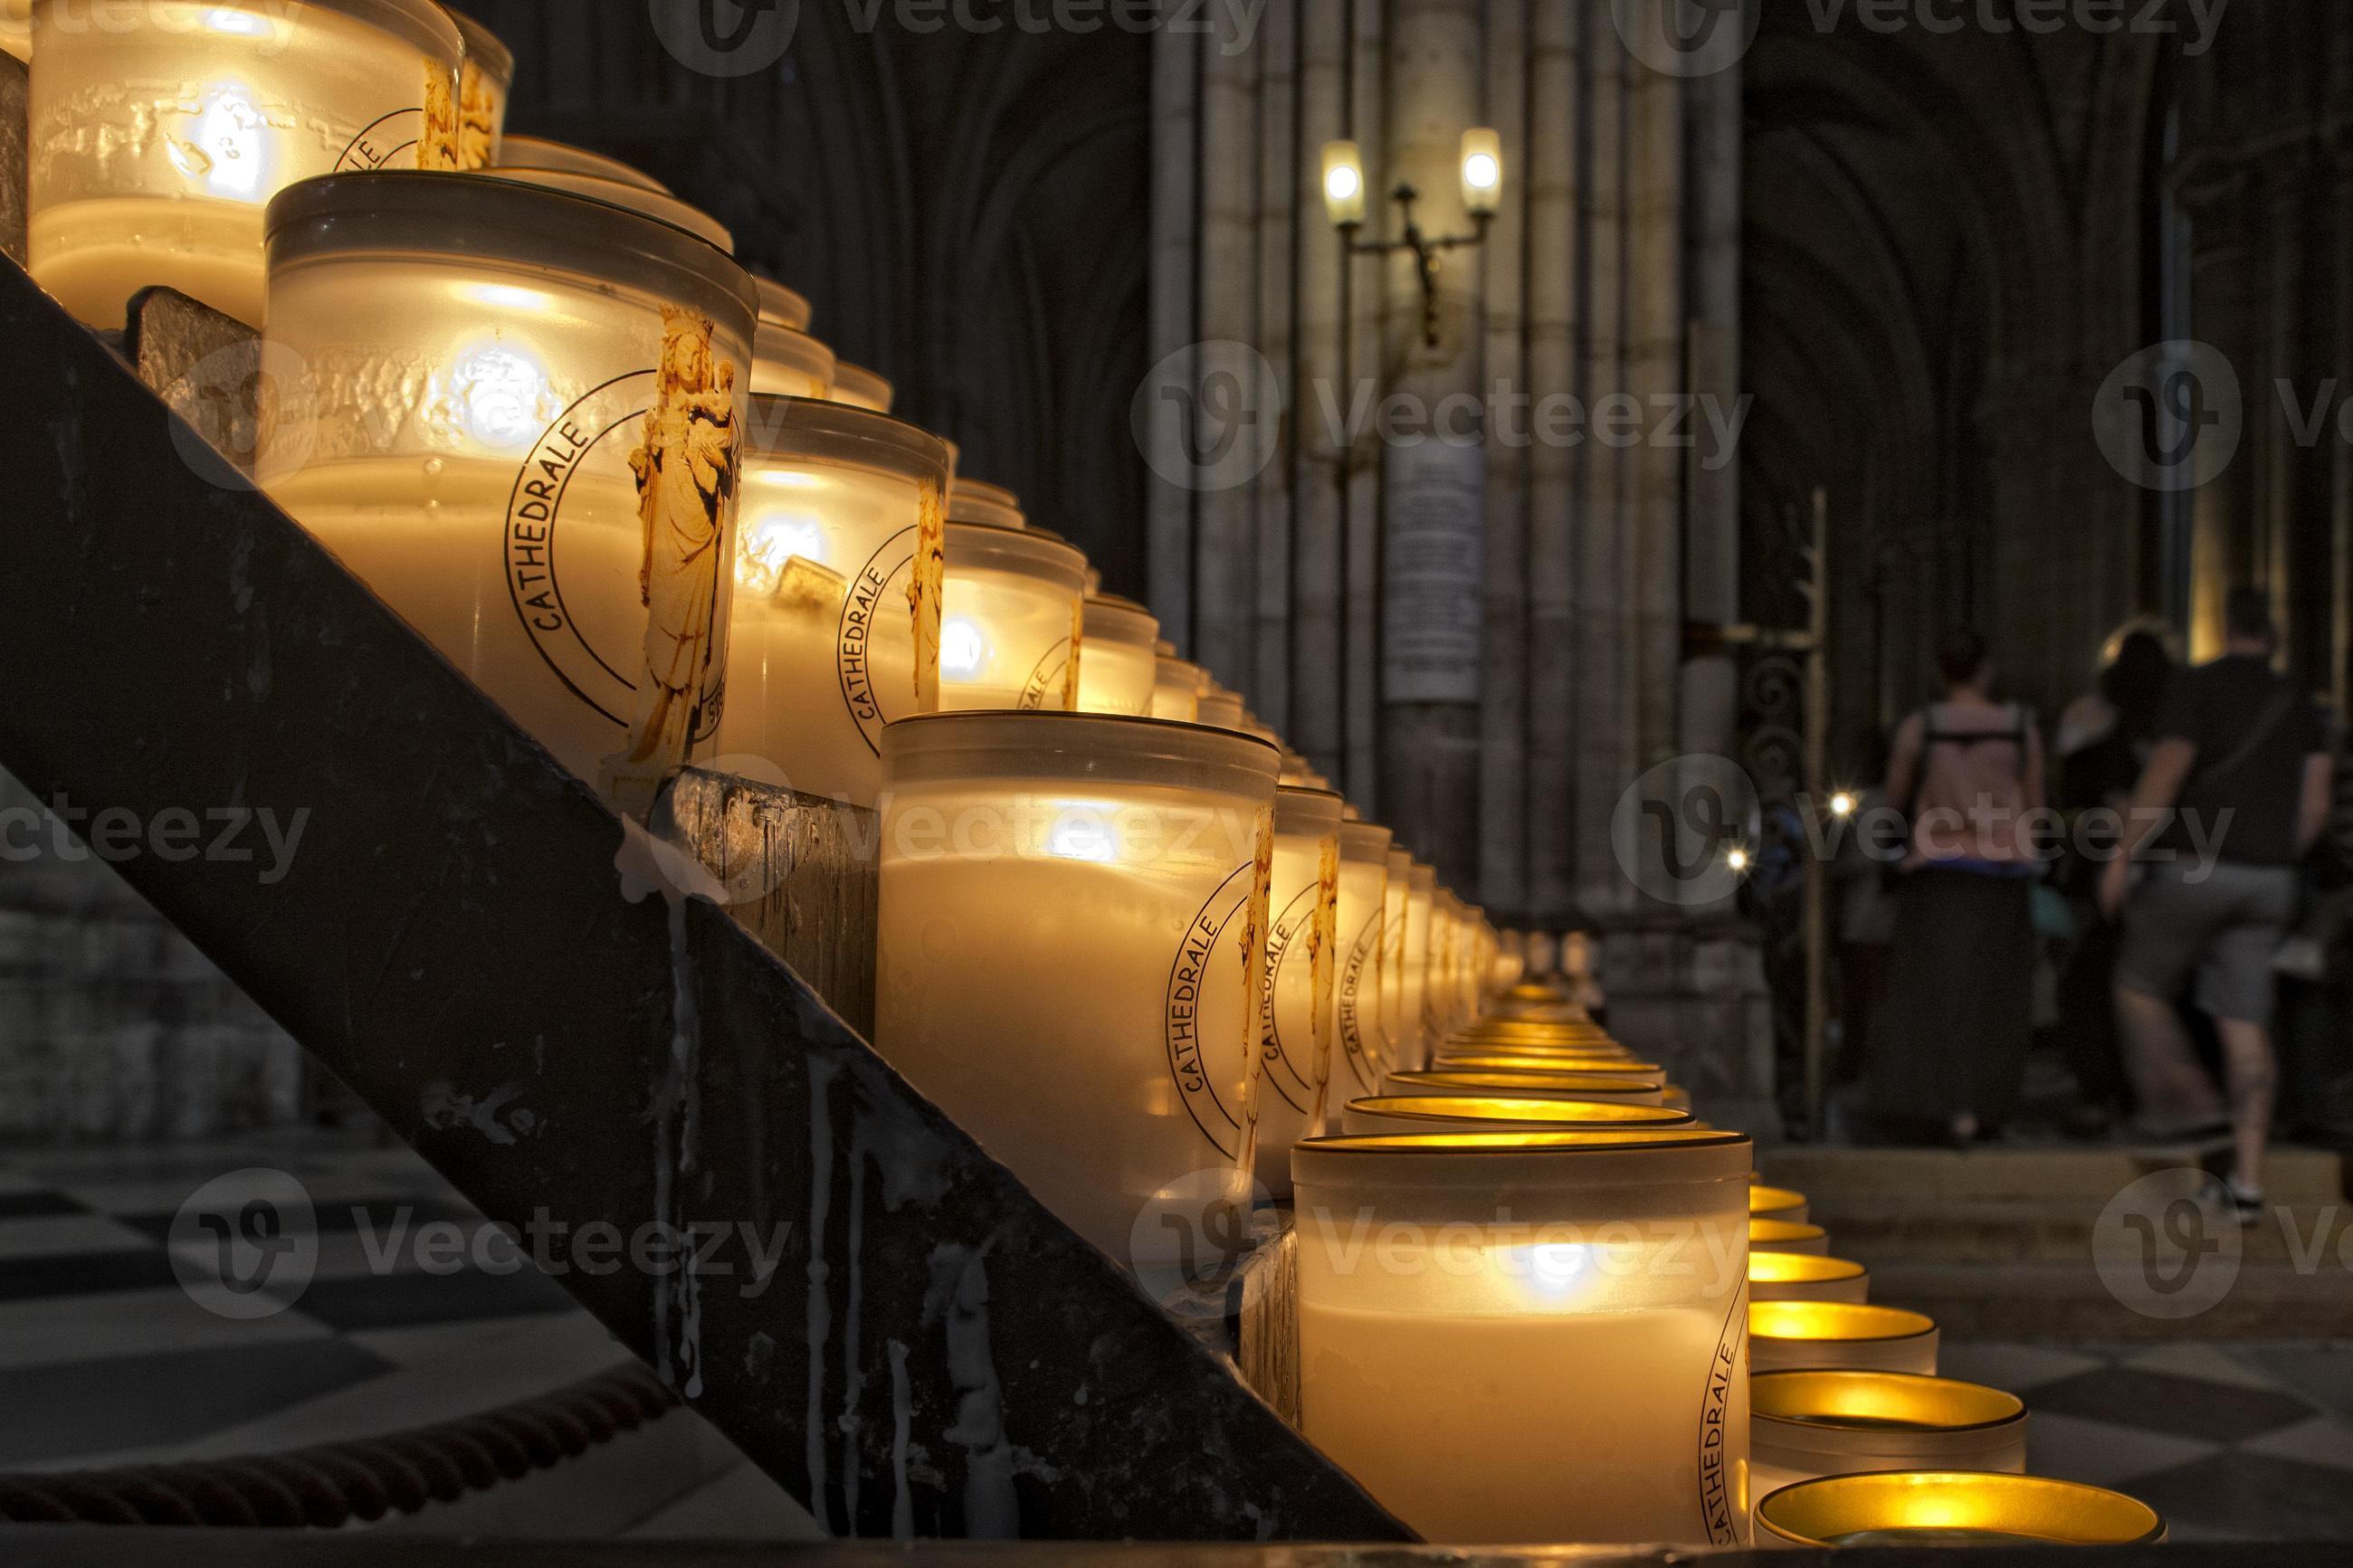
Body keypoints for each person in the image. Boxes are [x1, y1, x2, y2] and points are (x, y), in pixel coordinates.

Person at [2101, 588, 2333, 1221]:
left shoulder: (2195, 687)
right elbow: (2314, 804)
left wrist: (2122, 854)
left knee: (2139, 983)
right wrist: (2276, 855)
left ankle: (2183, 1104)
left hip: (2197, 867)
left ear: (2225, 628)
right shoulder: (2300, 703)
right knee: (2245, 1024)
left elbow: (2167, 772)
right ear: (2275, 635)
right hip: (2271, 878)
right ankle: (2247, 1186)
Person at [1870, 629, 2045, 1145]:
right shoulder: (2020, 727)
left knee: (1939, 995)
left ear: (1941, 672)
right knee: (1997, 994)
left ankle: (1943, 1106)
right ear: (1986, 670)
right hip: (2004, 875)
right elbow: (2036, 803)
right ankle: (1989, 1104)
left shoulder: (1919, 727)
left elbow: (1895, 799)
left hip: (1939, 873)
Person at [2051, 626, 2177, 1133]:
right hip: (2172, 877)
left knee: (2093, 987)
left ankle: (2103, 1091)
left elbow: (2076, 806)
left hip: (2110, 876)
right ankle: (2143, 1093)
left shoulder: (2095, 734)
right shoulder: (2175, 734)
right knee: (2148, 989)